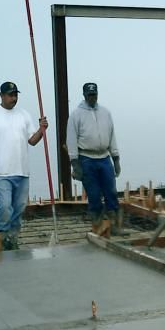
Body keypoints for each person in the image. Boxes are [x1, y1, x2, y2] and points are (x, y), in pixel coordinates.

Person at [0, 81, 48, 250]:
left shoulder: (24, 115)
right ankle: (0, 237)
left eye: (15, 95)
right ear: (1, 95)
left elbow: (32, 140)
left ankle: (12, 238)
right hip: (0, 172)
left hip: (22, 171)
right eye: (10, 95)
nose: (13, 98)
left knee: (19, 208)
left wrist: (42, 130)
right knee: (5, 206)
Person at [66, 82, 125, 236]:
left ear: (97, 94)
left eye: (94, 94)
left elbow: (112, 136)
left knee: (111, 192)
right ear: (84, 95)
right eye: (89, 95)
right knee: (93, 195)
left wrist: (116, 159)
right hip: (86, 158)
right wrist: (75, 163)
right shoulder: (76, 115)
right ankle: (98, 226)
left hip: (105, 157)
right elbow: (71, 140)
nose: (92, 97)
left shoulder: (105, 113)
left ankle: (115, 226)